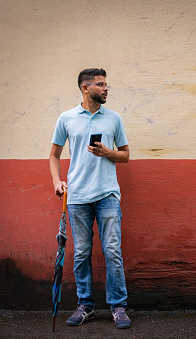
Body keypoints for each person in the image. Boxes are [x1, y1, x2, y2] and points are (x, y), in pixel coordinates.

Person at [49, 68, 131, 329]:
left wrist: (108, 152)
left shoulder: (114, 118)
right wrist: (57, 181)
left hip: (107, 194)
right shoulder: (67, 118)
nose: (106, 88)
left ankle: (118, 306)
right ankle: (85, 305)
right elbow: (54, 155)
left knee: (113, 252)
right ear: (86, 88)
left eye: (107, 84)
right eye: (101, 84)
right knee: (82, 253)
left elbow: (126, 155)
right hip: (78, 196)